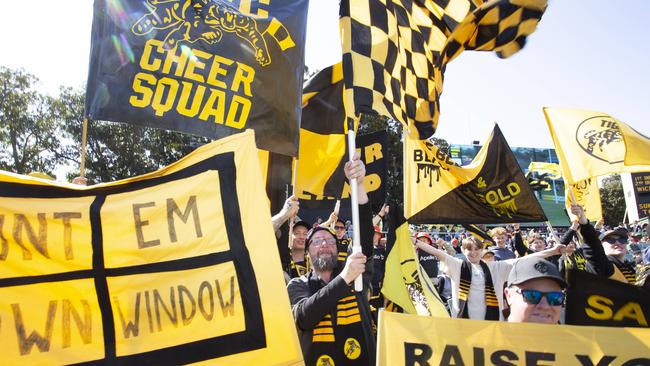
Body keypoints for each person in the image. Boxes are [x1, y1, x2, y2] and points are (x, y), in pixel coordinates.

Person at [287, 153, 376, 365]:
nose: (325, 243)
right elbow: (305, 317)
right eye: (317, 241)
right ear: (308, 252)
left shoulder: (357, 275)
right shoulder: (297, 285)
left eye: (330, 240)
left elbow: (364, 232)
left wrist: (359, 186)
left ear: (338, 249)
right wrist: (345, 277)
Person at [416, 236, 564, 321]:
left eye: (477, 249)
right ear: (463, 250)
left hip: (493, 321)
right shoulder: (457, 265)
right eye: (469, 249)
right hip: (463, 322)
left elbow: (525, 259)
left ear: (482, 250)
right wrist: (416, 242)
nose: (473, 253)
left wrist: (551, 251)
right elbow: (438, 253)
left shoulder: (496, 267)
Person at [571, 204, 637, 285]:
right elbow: (592, 245)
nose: (617, 242)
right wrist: (583, 221)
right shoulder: (602, 266)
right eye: (611, 240)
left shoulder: (631, 268)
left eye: (622, 240)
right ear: (601, 245)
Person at [502, 257, 567, 324]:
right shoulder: (493, 333)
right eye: (532, 296)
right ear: (509, 296)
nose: (545, 306)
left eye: (555, 297)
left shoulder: (571, 334)